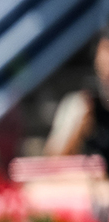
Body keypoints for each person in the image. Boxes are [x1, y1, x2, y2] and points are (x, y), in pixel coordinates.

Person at [44, 28, 109, 169]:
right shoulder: (80, 103)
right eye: (106, 50)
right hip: (88, 185)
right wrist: (78, 133)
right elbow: (52, 161)